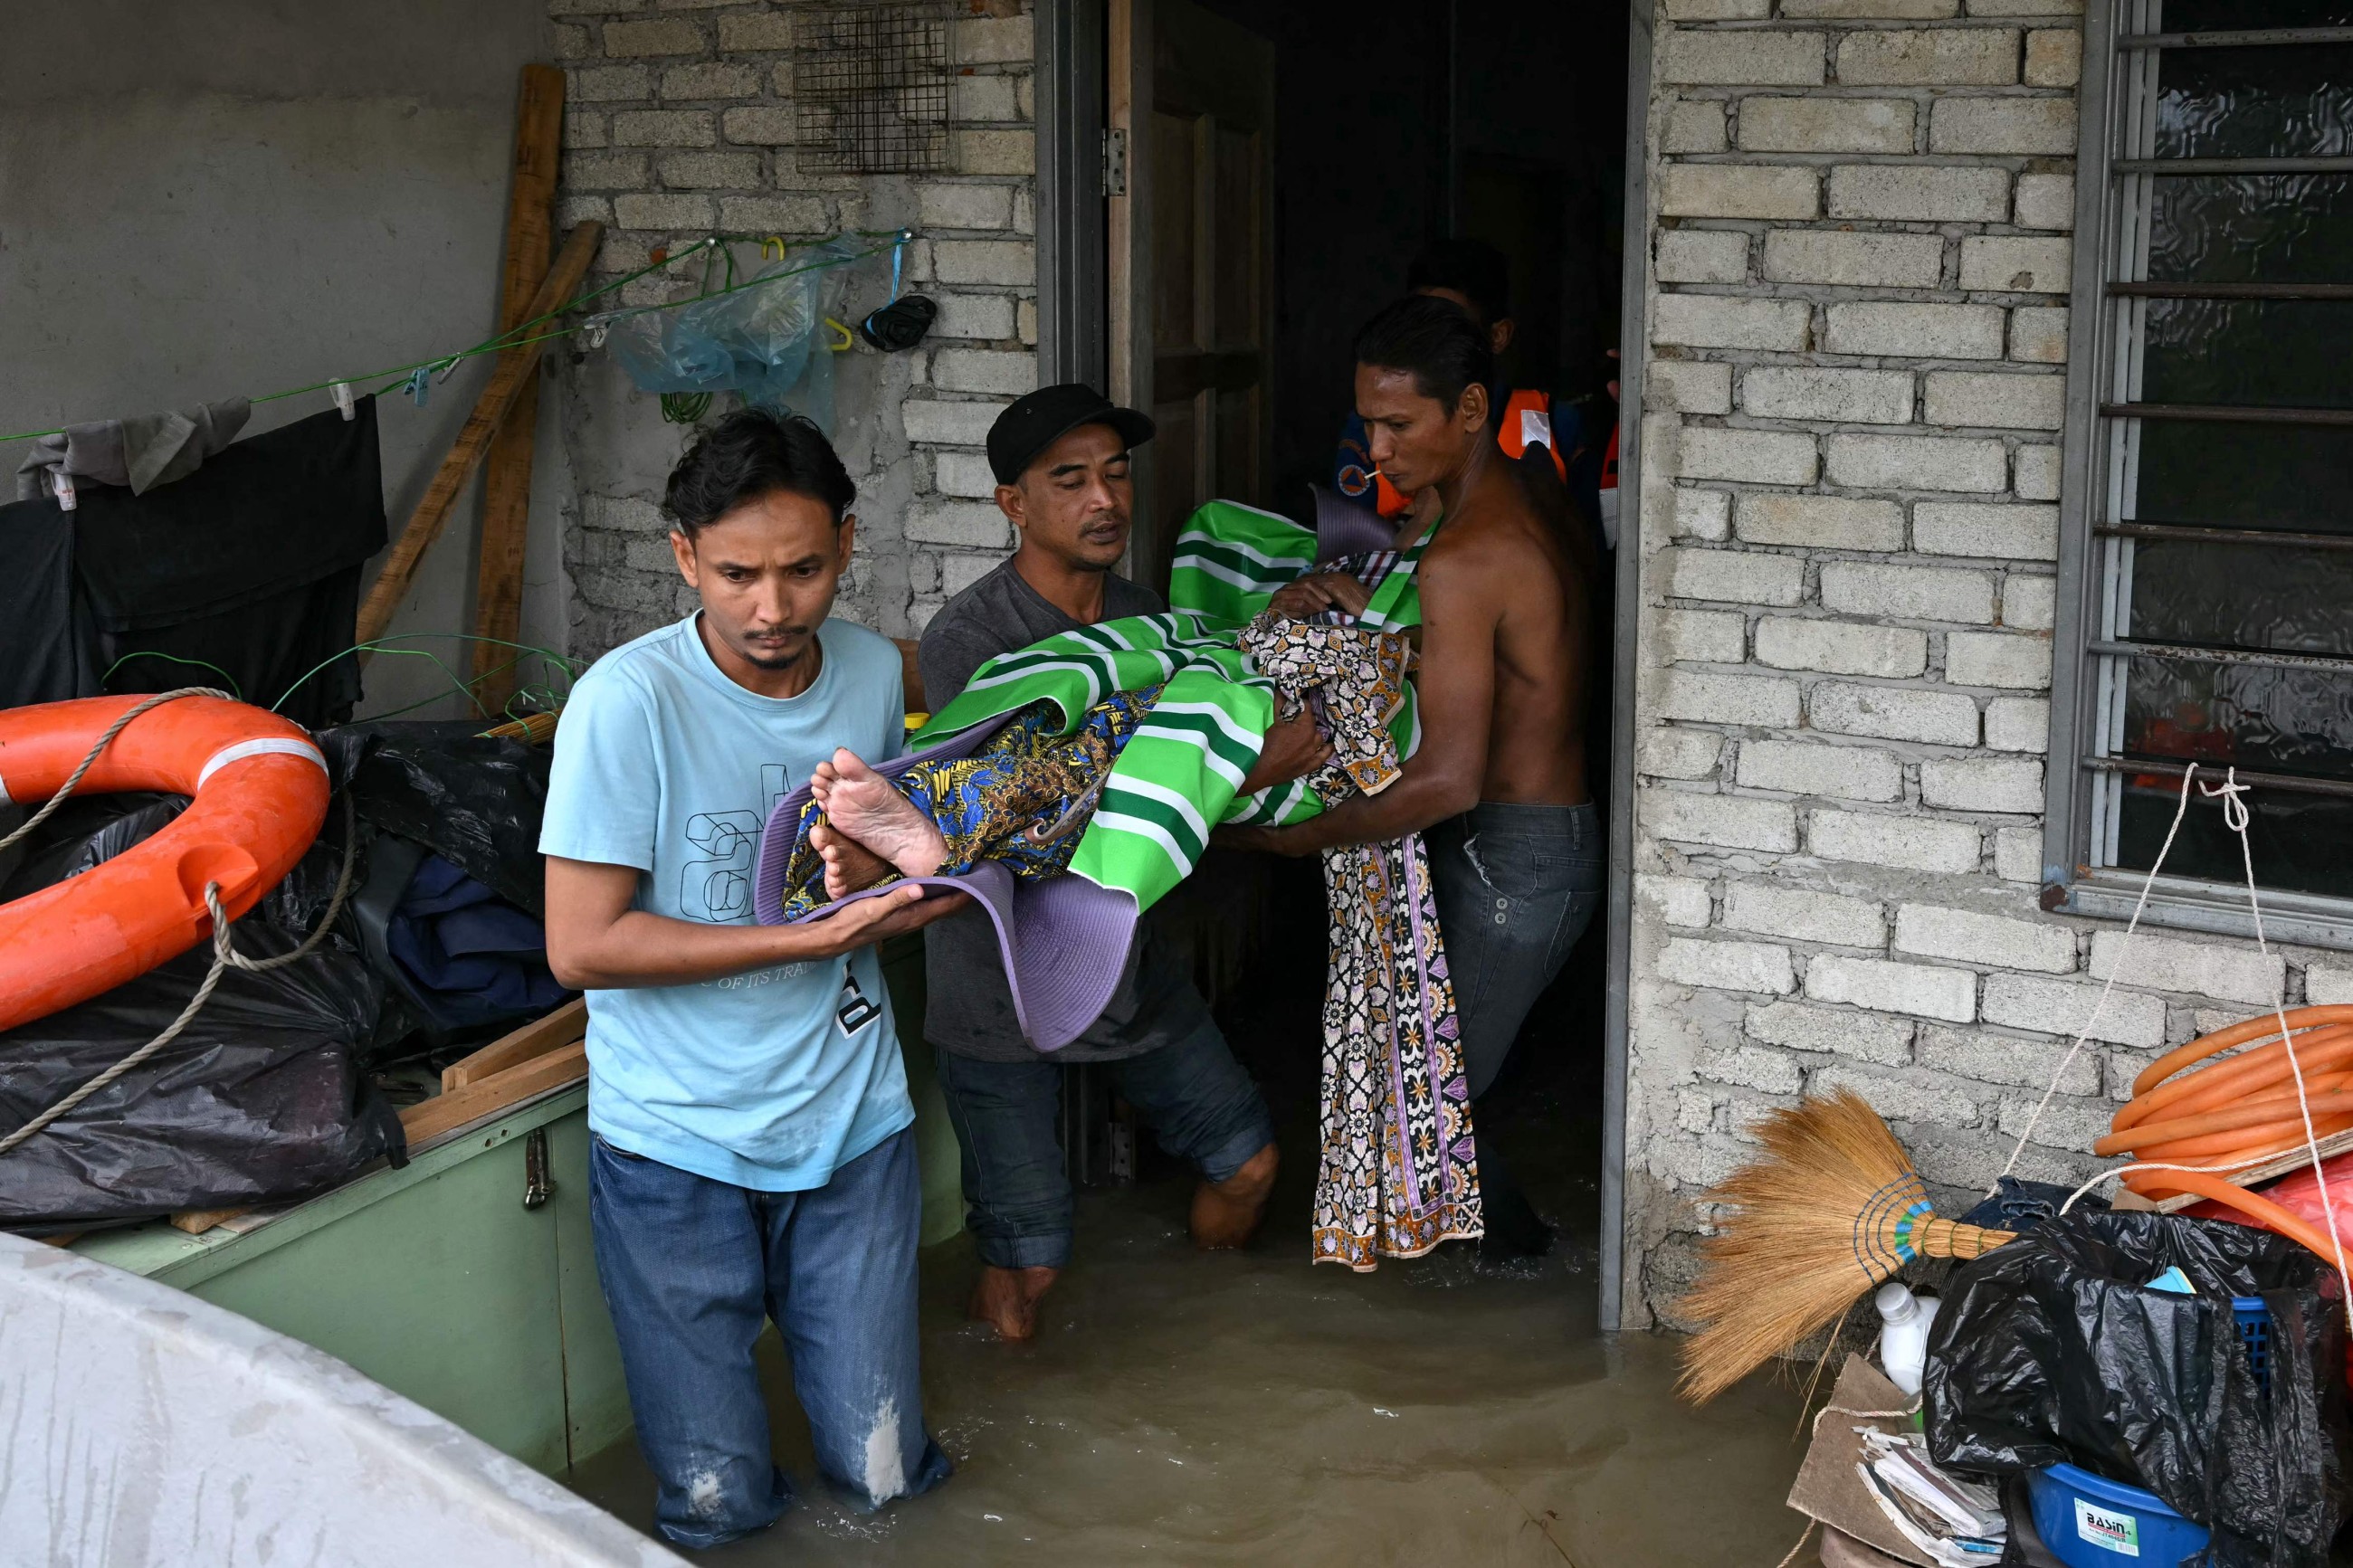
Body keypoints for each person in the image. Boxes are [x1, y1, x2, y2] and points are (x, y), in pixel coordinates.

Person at [539, 409, 964, 1550]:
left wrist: (880, 868)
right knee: (717, 1507)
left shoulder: (875, 670)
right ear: (683, 557)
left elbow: (903, 846)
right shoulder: (625, 703)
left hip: (851, 1121)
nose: (770, 609)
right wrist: (802, 940)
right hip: (674, 1136)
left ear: (847, 543)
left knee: (884, 1479)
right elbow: (580, 946)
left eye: (802, 569)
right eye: (735, 574)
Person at [910, 382, 1329, 1340]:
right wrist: (1248, 766)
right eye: (1069, 481)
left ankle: (1201, 1343)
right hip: (997, 983)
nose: (1104, 498)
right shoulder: (970, 638)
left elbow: (1174, 772)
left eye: (1114, 474)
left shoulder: (1146, 615)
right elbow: (1009, 816)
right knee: (1029, 1264)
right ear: (1013, 503)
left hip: (1124, 965)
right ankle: (1011, 1411)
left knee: (1248, 1165)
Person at [1231, 296, 1599, 1262]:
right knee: (1440, 1095)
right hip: (1537, 843)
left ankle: (1524, 1276)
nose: (1376, 448)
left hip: (1517, 857)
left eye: (1400, 424)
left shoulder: (1465, 556)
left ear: (1468, 409)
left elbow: (1444, 779)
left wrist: (1295, 836)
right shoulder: (1527, 495)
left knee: (1428, 1102)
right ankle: (1507, 1280)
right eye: (1369, 421)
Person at [1332, 237, 1619, 553]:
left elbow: (1594, 548)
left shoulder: (1554, 423)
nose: (1379, 450)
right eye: (1416, 324)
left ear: (1498, 336)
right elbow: (1347, 547)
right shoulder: (1372, 425)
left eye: (1453, 325)